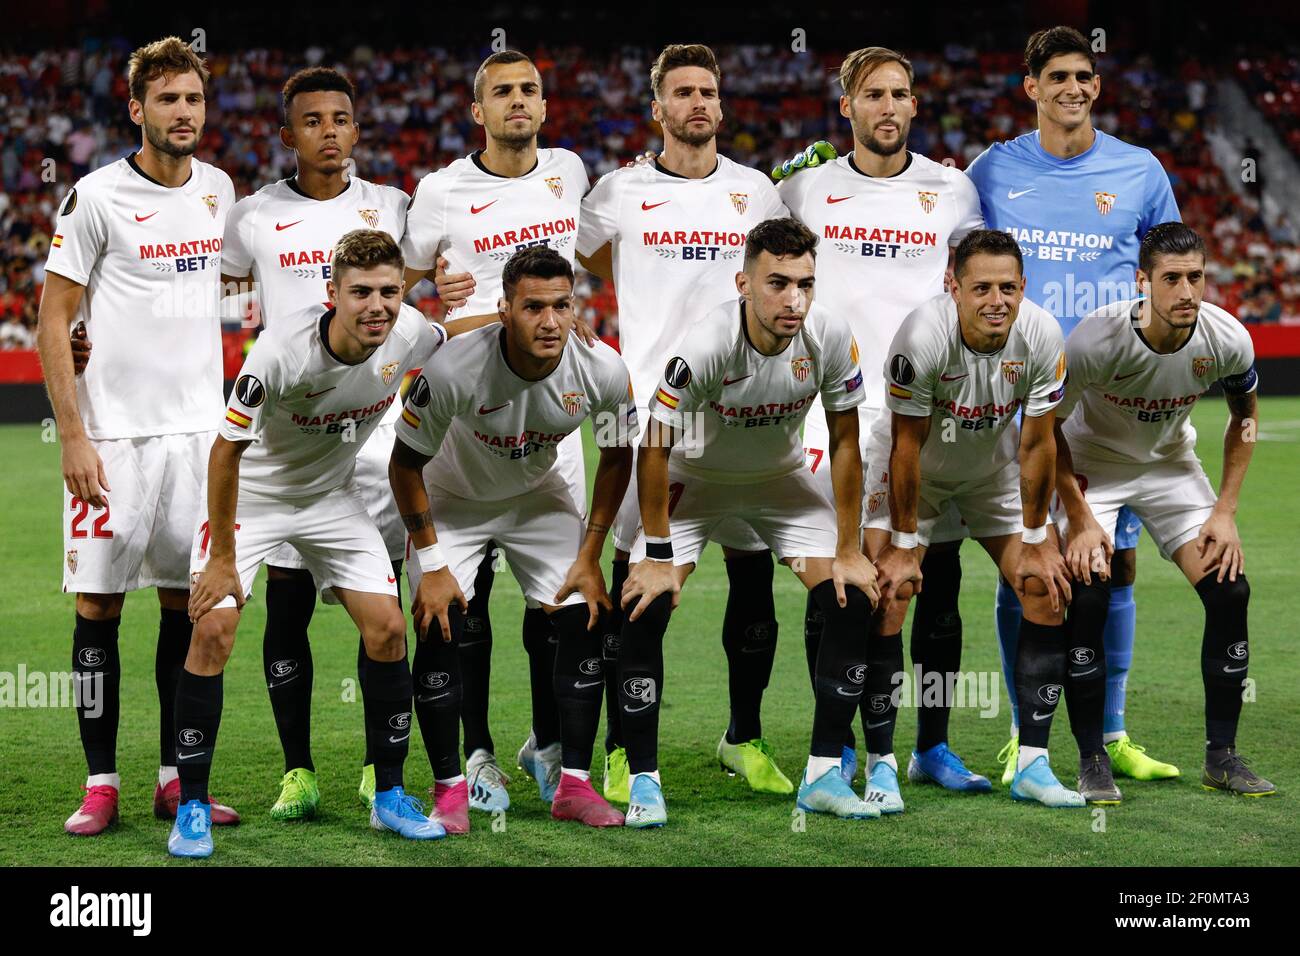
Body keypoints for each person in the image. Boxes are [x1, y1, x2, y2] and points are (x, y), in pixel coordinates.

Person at [171, 230, 447, 857]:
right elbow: (225, 450)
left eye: (388, 291)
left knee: (387, 630)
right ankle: (191, 805)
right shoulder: (280, 353)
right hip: (254, 500)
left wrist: (550, 326)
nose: (377, 306)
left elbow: (464, 335)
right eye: (360, 293)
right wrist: (219, 558)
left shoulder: (409, 333)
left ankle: (390, 797)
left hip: (331, 499)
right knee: (213, 632)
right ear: (332, 294)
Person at [966, 26, 1182, 784]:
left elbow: (1166, 268)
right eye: (1058, 76)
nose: (1074, 88)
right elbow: (963, 271)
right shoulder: (993, 170)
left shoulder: (1140, 170)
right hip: (1016, 395)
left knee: (1116, 566)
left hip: (1105, 399)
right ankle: (1027, 736)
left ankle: (1111, 731)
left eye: (1085, 75)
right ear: (1031, 86)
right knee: (1027, 563)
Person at [577, 44, 793, 802]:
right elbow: (583, 265)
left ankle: (744, 736)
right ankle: (621, 749)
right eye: (682, 92)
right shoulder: (618, 191)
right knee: (641, 588)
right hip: (647, 414)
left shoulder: (757, 191)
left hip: (747, 413)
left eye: (708, 91)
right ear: (658, 106)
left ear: (722, 106)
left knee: (754, 578)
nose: (698, 102)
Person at [36, 36, 240, 836]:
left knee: (184, 607)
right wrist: (73, 437)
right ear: (137, 110)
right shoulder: (93, 197)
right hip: (114, 440)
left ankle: (172, 779)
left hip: (199, 438)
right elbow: (54, 320)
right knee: (97, 607)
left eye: (193, 99)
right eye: (167, 100)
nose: (183, 112)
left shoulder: (220, 191)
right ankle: (100, 782)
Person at [616, 217, 881, 826]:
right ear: (744, 283)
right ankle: (644, 782)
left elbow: (845, 439)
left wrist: (847, 546)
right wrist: (657, 555)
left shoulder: (831, 335)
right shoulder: (706, 345)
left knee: (851, 596)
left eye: (805, 284)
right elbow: (653, 447)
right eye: (778, 284)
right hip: (695, 481)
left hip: (778, 483)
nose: (794, 300)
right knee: (644, 604)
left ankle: (822, 775)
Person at [776, 46, 988, 800]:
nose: (889, 107)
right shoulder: (802, 189)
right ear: (848, 107)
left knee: (937, 584)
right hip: (832, 412)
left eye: (901, 94)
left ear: (913, 106)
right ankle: (842, 750)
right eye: (874, 95)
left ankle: (930, 745)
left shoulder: (955, 192)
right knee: (843, 586)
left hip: (932, 414)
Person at [389, 246, 636, 831]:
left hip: (535, 497)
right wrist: (431, 560)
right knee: (440, 616)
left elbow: (619, 454)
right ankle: (452, 784)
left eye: (562, 306)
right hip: (453, 498)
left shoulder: (602, 368)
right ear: (504, 310)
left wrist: (590, 553)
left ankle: (573, 782)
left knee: (585, 610)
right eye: (533, 308)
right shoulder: (454, 369)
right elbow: (403, 466)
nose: (550, 322)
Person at [219, 66, 410, 820]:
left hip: (375, 433)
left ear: (357, 129)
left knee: (383, 613)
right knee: (287, 610)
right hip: (291, 443)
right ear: (286, 133)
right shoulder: (253, 215)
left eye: (341, 118)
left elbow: (414, 295)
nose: (329, 131)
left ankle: (377, 768)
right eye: (312, 120)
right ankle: (297, 770)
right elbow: (228, 299)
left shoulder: (393, 206)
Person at [401, 50, 591, 809]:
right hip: (467, 419)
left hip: (553, 413)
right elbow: (402, 279)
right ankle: (473, 753)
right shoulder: (442, 190)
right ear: (477, 111)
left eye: (530, 90)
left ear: (544, 105)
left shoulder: (571, 172)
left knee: (557, 602)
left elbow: (597, 257)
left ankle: (547, 746)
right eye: (502, 92)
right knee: (464, 601)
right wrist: (431, 290)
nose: (519, 101)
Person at [1053, 222, 1274, 799]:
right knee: (1090, 594)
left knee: (1230, 590)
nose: (1186, 292)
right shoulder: (1093, 342)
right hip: (1092, 466)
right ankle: (1091, 759)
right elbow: (1044, 431)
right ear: (1142, 283)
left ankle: (1221, 757)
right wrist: (1077, 517)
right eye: (1171, 279)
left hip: (1171, 467)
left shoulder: (1227, 339)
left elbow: (1244, 418)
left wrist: (1225, 511)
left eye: (1195, 277)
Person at [869, 229, 1081, 808]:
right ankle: (879, 761)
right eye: (981, 287)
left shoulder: (1041, 334)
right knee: (890, 594)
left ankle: (1031, 765)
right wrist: (905, 541)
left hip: (989, 473)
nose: (996, 300)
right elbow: (905, 448)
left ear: (1024, 288)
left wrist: (1038, 538)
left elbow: (1038, 444)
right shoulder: (922, 336)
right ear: (953, 286)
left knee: (1042, 586)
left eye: (1008, 288)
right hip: (911, 474)